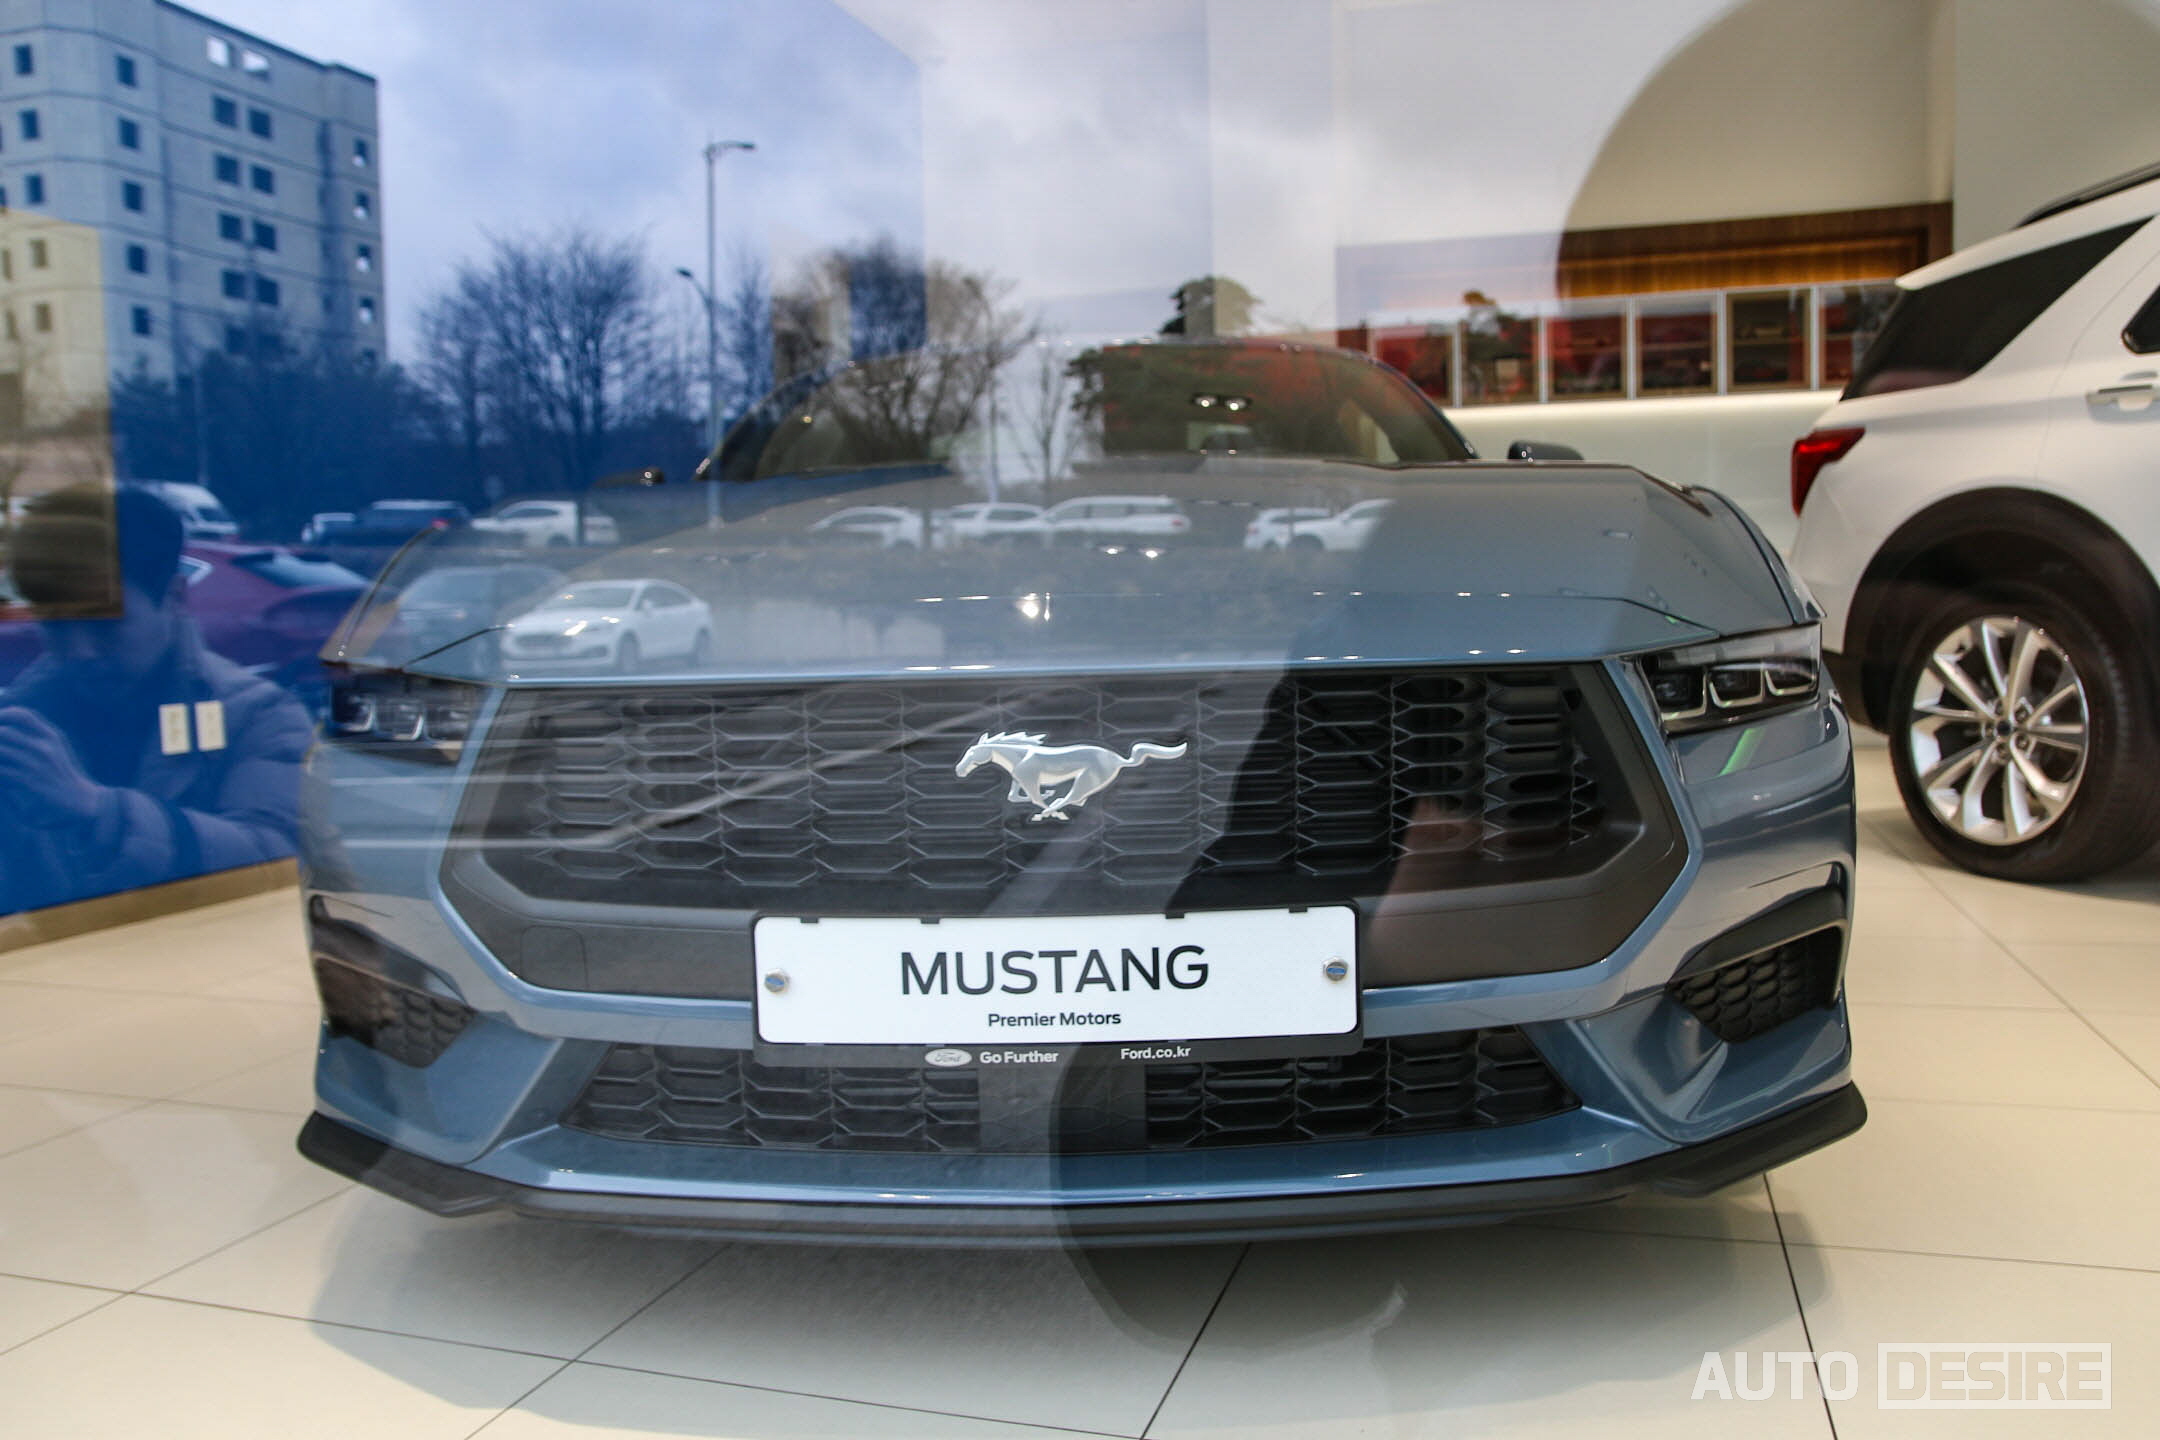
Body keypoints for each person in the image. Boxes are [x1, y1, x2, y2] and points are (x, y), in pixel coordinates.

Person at [0, 484, 313, 914]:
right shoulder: (23, 721)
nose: (80, 650)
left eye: (104, 625)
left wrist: (100, 812)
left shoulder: (260, 716)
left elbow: (279, 863)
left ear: (175, 596)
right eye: (55, 625)